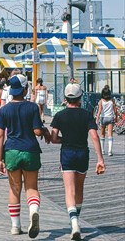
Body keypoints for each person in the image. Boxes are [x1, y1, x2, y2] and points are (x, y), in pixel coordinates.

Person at [0, 74, 51, 237]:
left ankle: (15, 226)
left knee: (14, 189)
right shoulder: (33, 107)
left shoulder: (4, 110)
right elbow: (37, 131)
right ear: (25, 89)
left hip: (11, 151)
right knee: (32, 188)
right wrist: (45, 131)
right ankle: (33, 211)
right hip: (30, 151)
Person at [50, 83, 105, 240]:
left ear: (66, 98)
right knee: (79, 188)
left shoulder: (59, 115)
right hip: (83, 153)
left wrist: (64, 139)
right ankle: (76, 220)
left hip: (67, 152)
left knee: (69, 189)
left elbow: (53, 138)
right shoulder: (87, 114)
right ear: (80, 97)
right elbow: (94, 137)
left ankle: (74, 223)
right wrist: (100, 159)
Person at [96, 86, 117, 156]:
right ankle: (110, 151)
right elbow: (115, 110)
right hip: (110, 117)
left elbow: (99, 111)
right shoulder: (112, 101)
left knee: (102, 134)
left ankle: (102, 150)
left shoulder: (101, 101)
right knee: (110, 134)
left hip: (103, 118)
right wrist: (116, 117)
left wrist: (97, 118)